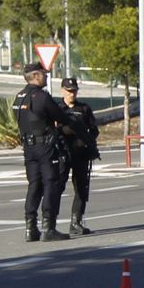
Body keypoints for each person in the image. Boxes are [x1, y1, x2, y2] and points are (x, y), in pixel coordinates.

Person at [13, 65, 72, 242]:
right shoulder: (42, 97)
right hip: (44, 147)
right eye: (44, 75)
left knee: (34, 185)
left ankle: (30, 227)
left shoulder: (19, 97)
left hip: (28, 147)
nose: (46, 77)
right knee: (50, 184)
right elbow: (62, 117)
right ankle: (49, 227)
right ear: (36, 76)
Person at [56, 77, 100, 236]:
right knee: (57, 187)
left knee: (81, 189)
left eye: (74, 91)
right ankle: (51, 223)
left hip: (81, 154)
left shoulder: (84, 109)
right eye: (69, 91)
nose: (72, 94)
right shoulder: (57, 108)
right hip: (62, 153)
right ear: (62, 91)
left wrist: (86, 140)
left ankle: (76, 222)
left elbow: (94, 130)